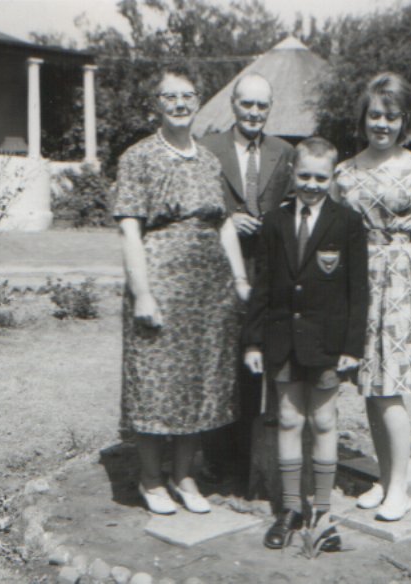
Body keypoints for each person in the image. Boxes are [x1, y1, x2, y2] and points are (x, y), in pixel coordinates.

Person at [113, 66, 250, 515]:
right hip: (161, 284)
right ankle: (151, 478)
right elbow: (130, 231)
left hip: (209, 292)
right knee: (154, 380)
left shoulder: (208, 160)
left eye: (187, 95)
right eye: (169, 96)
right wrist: (143, 293)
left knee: (199, 381)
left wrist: (239, 280)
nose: (179, 104)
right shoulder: (137, 157)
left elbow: (224, 225)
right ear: (156, 104)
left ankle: (184, 475)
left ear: (198, 101)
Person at [335, 72, 411, 521]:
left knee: (391, 390)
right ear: (363, 118)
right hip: (359, 282)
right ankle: (385, 479)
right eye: (375, 115)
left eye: (391, 116)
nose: (382, 124)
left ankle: (399, 489)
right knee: (370, 387)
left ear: (405, 121)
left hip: (403, 284)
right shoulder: (345, 173)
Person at [243, 137, 369, 548]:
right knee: (289, 420)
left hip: (327, 345)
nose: (312, 185)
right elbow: (262, 287)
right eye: (304, 176)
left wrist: (352, 347)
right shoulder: (274, 222)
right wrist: (253, 343)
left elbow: (358, 291)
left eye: (321, 177)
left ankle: (324, 513)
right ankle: (291, 509)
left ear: (332, 177)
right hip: (282, 341)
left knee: (325, 421)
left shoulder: (347, 222)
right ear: (291, 174)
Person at [200, 73, 294, 484]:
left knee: (256, 359)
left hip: (267, 271)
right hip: (218, 269)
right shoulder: (208, 148)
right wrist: (227, 219)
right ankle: (214, 457)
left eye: (262, 106)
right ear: (233, 105)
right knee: (218, 359)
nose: (254, 113)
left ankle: (252, 460)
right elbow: (196, 206)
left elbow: (293, 205)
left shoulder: (283, 152)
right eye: (247, 104)